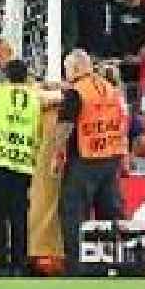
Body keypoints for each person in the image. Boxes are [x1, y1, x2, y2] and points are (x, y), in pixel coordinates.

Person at [52, 49, 128, 276]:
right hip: (110, 158)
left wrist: (57, 154)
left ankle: (78, 267)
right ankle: (114, 264)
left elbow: (65, 126)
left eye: (67, 69)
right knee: (110, 213)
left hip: (84, 160)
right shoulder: (110, 89)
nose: (66, 75)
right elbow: (122, 122)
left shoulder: (77, 93)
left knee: (73, 214)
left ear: (75, 69)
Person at [0, 59, 42, 276]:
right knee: (19, 216)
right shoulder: (34, 96)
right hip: (22, 162)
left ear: (5, 76)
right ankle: (20, 263)